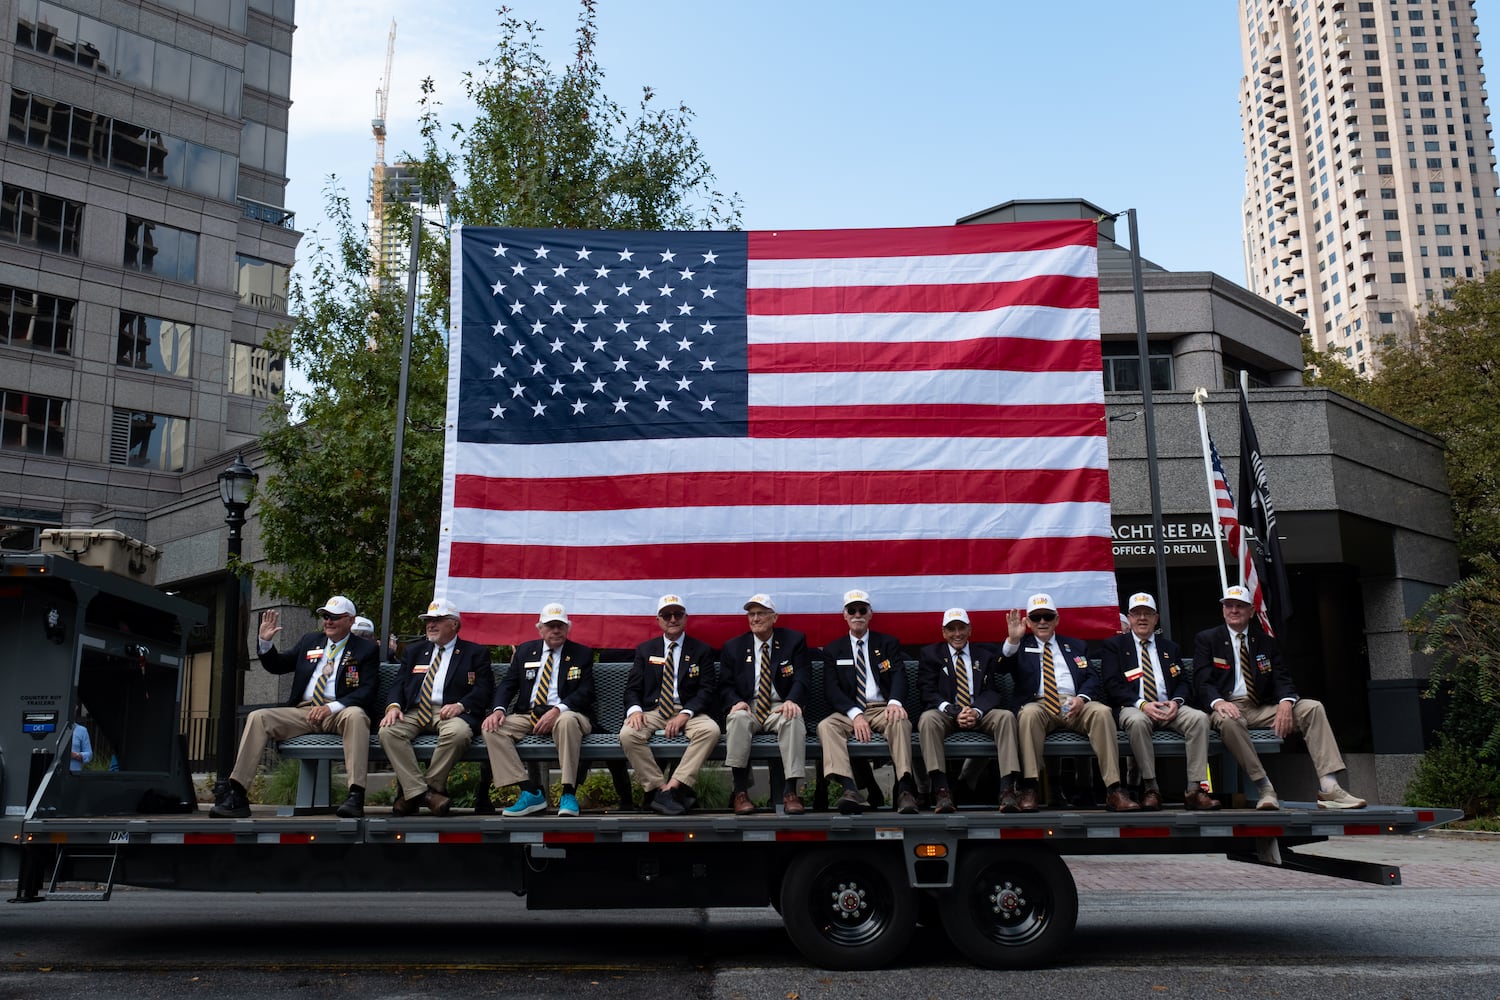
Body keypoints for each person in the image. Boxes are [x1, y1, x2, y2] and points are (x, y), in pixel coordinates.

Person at [1193, 585, 1366, 810]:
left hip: (1261, 707)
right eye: (1229, 605)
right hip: (1226, 708)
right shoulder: (1207, 639)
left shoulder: (1265, 641)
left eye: (1240, 606)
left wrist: (1286, 702)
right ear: (1223, 609)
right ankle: (1265, 788)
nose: (1234, 610)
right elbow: (1201, 681)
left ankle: (1329, 787)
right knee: (1230, 721)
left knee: (1312, 708)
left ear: (1251, 611)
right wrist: (1219, 702)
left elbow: (1282, 678)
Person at [211, 596, 382, 819]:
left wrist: (332, 709)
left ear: (350, 620)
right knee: (258, 717)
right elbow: (278, 665)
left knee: (357, 716)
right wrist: (265, 643)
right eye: (325, 616)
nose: (328, 621)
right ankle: (238, 795)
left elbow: (367, 690)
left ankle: (355, 795)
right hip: (304, 711)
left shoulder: (365, 649)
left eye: (335, 617)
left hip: (339, 711)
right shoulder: (310, 641)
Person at [1002, 593, 1141, 812]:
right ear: (1028, 622)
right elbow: (1001, 668)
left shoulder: (1075, 645)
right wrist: (1012, 640)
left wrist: (1082, 698)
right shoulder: (1020, 646)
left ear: (1057, 619)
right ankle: (1029, 788)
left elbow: (1092, 677)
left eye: (1047, 616)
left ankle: (1114, 789)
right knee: (1027, 715)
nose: (1042, 622)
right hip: (1039, 704)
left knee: (1102, 712)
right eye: (1036, 617)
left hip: (1074, 703)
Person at [1099, 593, 1219, 811]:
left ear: (1156, 618)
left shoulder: (1169, 648)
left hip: (1168, 707)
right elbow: (1112, 684)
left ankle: (1194, 789)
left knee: (1199, 718)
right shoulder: (1114, 646)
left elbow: (1183, 681)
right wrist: (1142, 704)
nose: (1142, 618)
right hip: (1134, 707)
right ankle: (1151, 788)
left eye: (1148, 614)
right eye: (1137, 614)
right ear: (1129, 617)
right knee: (1137, 722)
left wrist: (1176, 701)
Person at [378, 597, 494, 816]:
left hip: (450, 713)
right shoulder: (414, 652)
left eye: (437, 620)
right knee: (388, 731)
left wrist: (461, 705)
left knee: (459, 733)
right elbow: (399, 684)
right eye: (428, 620)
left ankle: (419, 792)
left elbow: (484, 689)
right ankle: (427, 795)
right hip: (415, 710)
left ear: (454, 624)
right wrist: (393, 706)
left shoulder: (474, 653)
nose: (430, 625)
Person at [485, 602, 596, 817]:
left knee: (566, 721)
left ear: (567, 628)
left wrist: (557, 710)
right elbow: (508, 684)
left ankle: (568, 792)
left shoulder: (581, 653)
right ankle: (530, 792)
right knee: (492, 728)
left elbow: (587, 692)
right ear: (540, 628)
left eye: (560, 625)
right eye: (550, 625)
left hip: (568, 713)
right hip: (529, 714)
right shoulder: (526, 651)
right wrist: (498, 709)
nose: (556, 630)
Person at [618, 595, 721, 816]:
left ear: (685, 618)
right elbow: (632, 689)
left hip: (688, 711)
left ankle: (673, 786)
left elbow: (707, 690)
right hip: (654, 711)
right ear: (658, 620)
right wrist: (635, 710)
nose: (672, 619)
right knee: (628, 734)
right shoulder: (646, 650)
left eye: (677, 614)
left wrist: (685, 713)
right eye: (667, 615)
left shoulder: (701, 650)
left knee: (710, 730)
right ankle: (661, 789)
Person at [819, 590, 920, 814]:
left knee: (900, 721)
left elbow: (899, 676)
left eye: (862, 610)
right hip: (849, 712)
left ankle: (904, 789)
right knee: (826, 726)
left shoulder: (888, 643)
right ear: (844, 615)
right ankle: (850, 789)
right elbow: (832, 689)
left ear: (870, 614)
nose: (857, 614)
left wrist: (895, 702)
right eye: (852, 610)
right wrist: (856, 715)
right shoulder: (833, 649)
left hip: (882, 708)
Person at [916, 608, 1023, 813]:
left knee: (1006, 717)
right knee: (927, 720)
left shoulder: (984, 654)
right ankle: (941, 791)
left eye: (961, 628)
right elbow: (927, 691)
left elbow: (992, 690)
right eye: (951, 629)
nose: (957, 634)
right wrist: (954, 711)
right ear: (943, 633)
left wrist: (976, 711)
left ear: (970, 630)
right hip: (946, 714)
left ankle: (1007, 790)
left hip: (978, 713)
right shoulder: (930, 654)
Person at [719, 594, 810, 815]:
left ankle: (790, 792)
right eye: (751, 614)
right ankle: (740, 792)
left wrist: (792, 700)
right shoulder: (734, 646)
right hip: (749, 706)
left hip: (779, 706)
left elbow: (802, 677)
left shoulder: (794, 641)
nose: (755, 618)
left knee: (793, 718)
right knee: (737, 719)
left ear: (774, 617)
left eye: (761, 613)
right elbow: (724, 685)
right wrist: (736, 702)